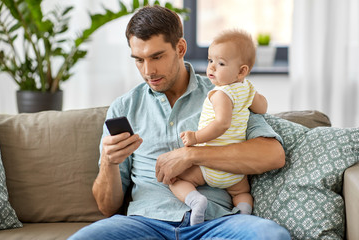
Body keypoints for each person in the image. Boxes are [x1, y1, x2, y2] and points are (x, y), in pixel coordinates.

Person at [69, 5, 290, 240]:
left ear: (180, 48)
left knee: (270, 235)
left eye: (157, 57)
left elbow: (273, 155)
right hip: (145, 224)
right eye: (139, 60)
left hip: (215, 224)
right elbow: (107, 207)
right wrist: (109, 164)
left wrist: (191, 156)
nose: (148, 71)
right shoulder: (124, 107)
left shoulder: (225, 93)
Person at [171, 29, 267, 226]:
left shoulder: (221, 93)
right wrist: (252, 96)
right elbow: (263, 107)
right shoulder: (247, 88)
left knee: (174, 177)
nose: (212, 68)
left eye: (221, 63)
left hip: (211, 166)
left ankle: (195, 200)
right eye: (210, 61)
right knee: (241, 192)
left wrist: (196, 137)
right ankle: (243, 211)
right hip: (235, 170)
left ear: (242, 70)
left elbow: (222, 123)